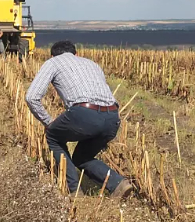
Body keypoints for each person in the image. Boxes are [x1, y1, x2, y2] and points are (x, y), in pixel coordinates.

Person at [25, 40, 133, 198]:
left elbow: (31, 97)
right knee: (82, 157)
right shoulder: (92, 64)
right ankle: (118, 184)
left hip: (84, 113)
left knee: (53, 136)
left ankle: (74, 191)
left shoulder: (53, 62)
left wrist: (48, 122)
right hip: (112, 117)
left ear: (53, 55)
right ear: (76, 54)